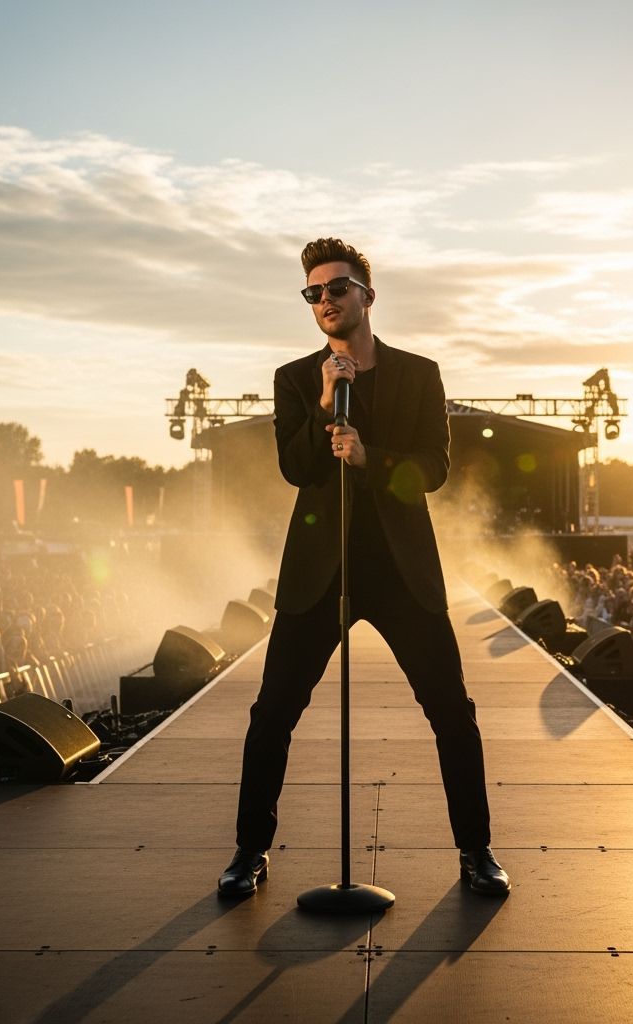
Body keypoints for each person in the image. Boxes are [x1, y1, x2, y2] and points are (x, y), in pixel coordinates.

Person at [219, 237, 508, 898]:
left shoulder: (419, 374)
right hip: (321, 572)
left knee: (451, 714)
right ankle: (249, 852)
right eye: (313, 292)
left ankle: (476, 852)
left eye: (337, 288)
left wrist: (369, 459)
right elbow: (295, 468)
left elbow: (435, 467)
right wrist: (324, 404)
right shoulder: (296, 379)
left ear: (367, 296)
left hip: (402, 570)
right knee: (272, 715)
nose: (325, 300)